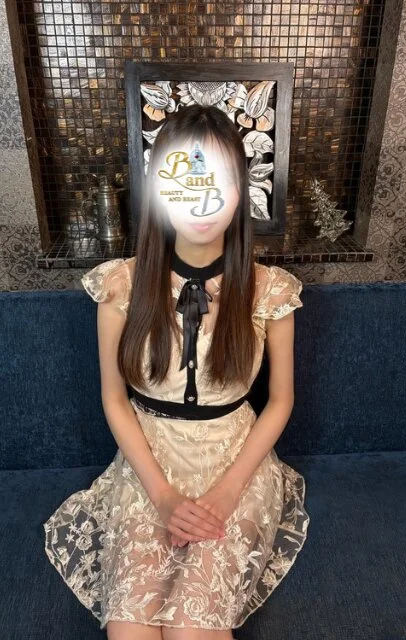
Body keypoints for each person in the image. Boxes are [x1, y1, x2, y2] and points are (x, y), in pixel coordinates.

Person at [43, 103, 310, 640]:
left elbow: (280, 401)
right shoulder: (120, 285)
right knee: (130, 627)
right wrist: (162, 495)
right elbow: (114, 399)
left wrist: (229, 492)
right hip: (148, 460)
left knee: (193, 627)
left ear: (241, 189)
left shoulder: (271, 290)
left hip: (236, 461)